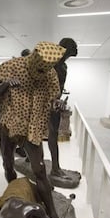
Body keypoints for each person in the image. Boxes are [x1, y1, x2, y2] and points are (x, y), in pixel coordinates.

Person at [0, 41, 73, 218]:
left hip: (33, 126)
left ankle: (53, 215)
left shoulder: (50, 74)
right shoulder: (12, 66)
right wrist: (4, 84)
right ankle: (11, 199)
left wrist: (57, 104)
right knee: (8, 163)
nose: (41, 74)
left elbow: (53, 100)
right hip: (10, 123)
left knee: (41, 170)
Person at [48, 38, 77, 178]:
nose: (75, 51)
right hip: (44, 104)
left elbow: (59, 87)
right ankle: (53, 167)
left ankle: (55, 167)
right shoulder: (50, 64)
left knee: (53, 134)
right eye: (73, 48)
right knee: (36, 134)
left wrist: (58, 101)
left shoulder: (63, 66)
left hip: (55, 105)